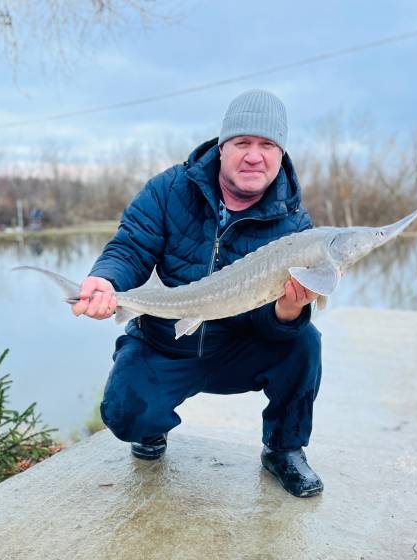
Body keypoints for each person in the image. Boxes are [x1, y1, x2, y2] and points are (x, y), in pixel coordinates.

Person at [72, 89, 323, 498]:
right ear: (222, 148)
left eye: (267, 145)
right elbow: (131, 246)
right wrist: (107, 281)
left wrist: (288, 313)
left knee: (305, 341)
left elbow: (275, 322)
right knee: (126, 414)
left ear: (281, 154)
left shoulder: (295, 225)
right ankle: (150, 426)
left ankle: (284, 449)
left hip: (240, 345)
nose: (254, 156)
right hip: (168, 339)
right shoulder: (170, 189)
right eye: (243, 143)